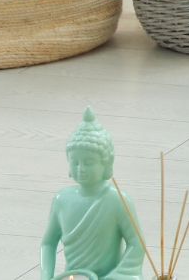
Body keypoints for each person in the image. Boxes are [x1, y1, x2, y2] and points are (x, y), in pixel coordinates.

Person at [40, 108, 145, 280]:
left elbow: (137, 244)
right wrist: (46, 276)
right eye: (75, 162)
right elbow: (48, 244)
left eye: (89, 162)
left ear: (107, 162)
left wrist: (115, 276)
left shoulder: (117, 199)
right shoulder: (61, 199)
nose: (81, 169)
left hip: (109, 277)